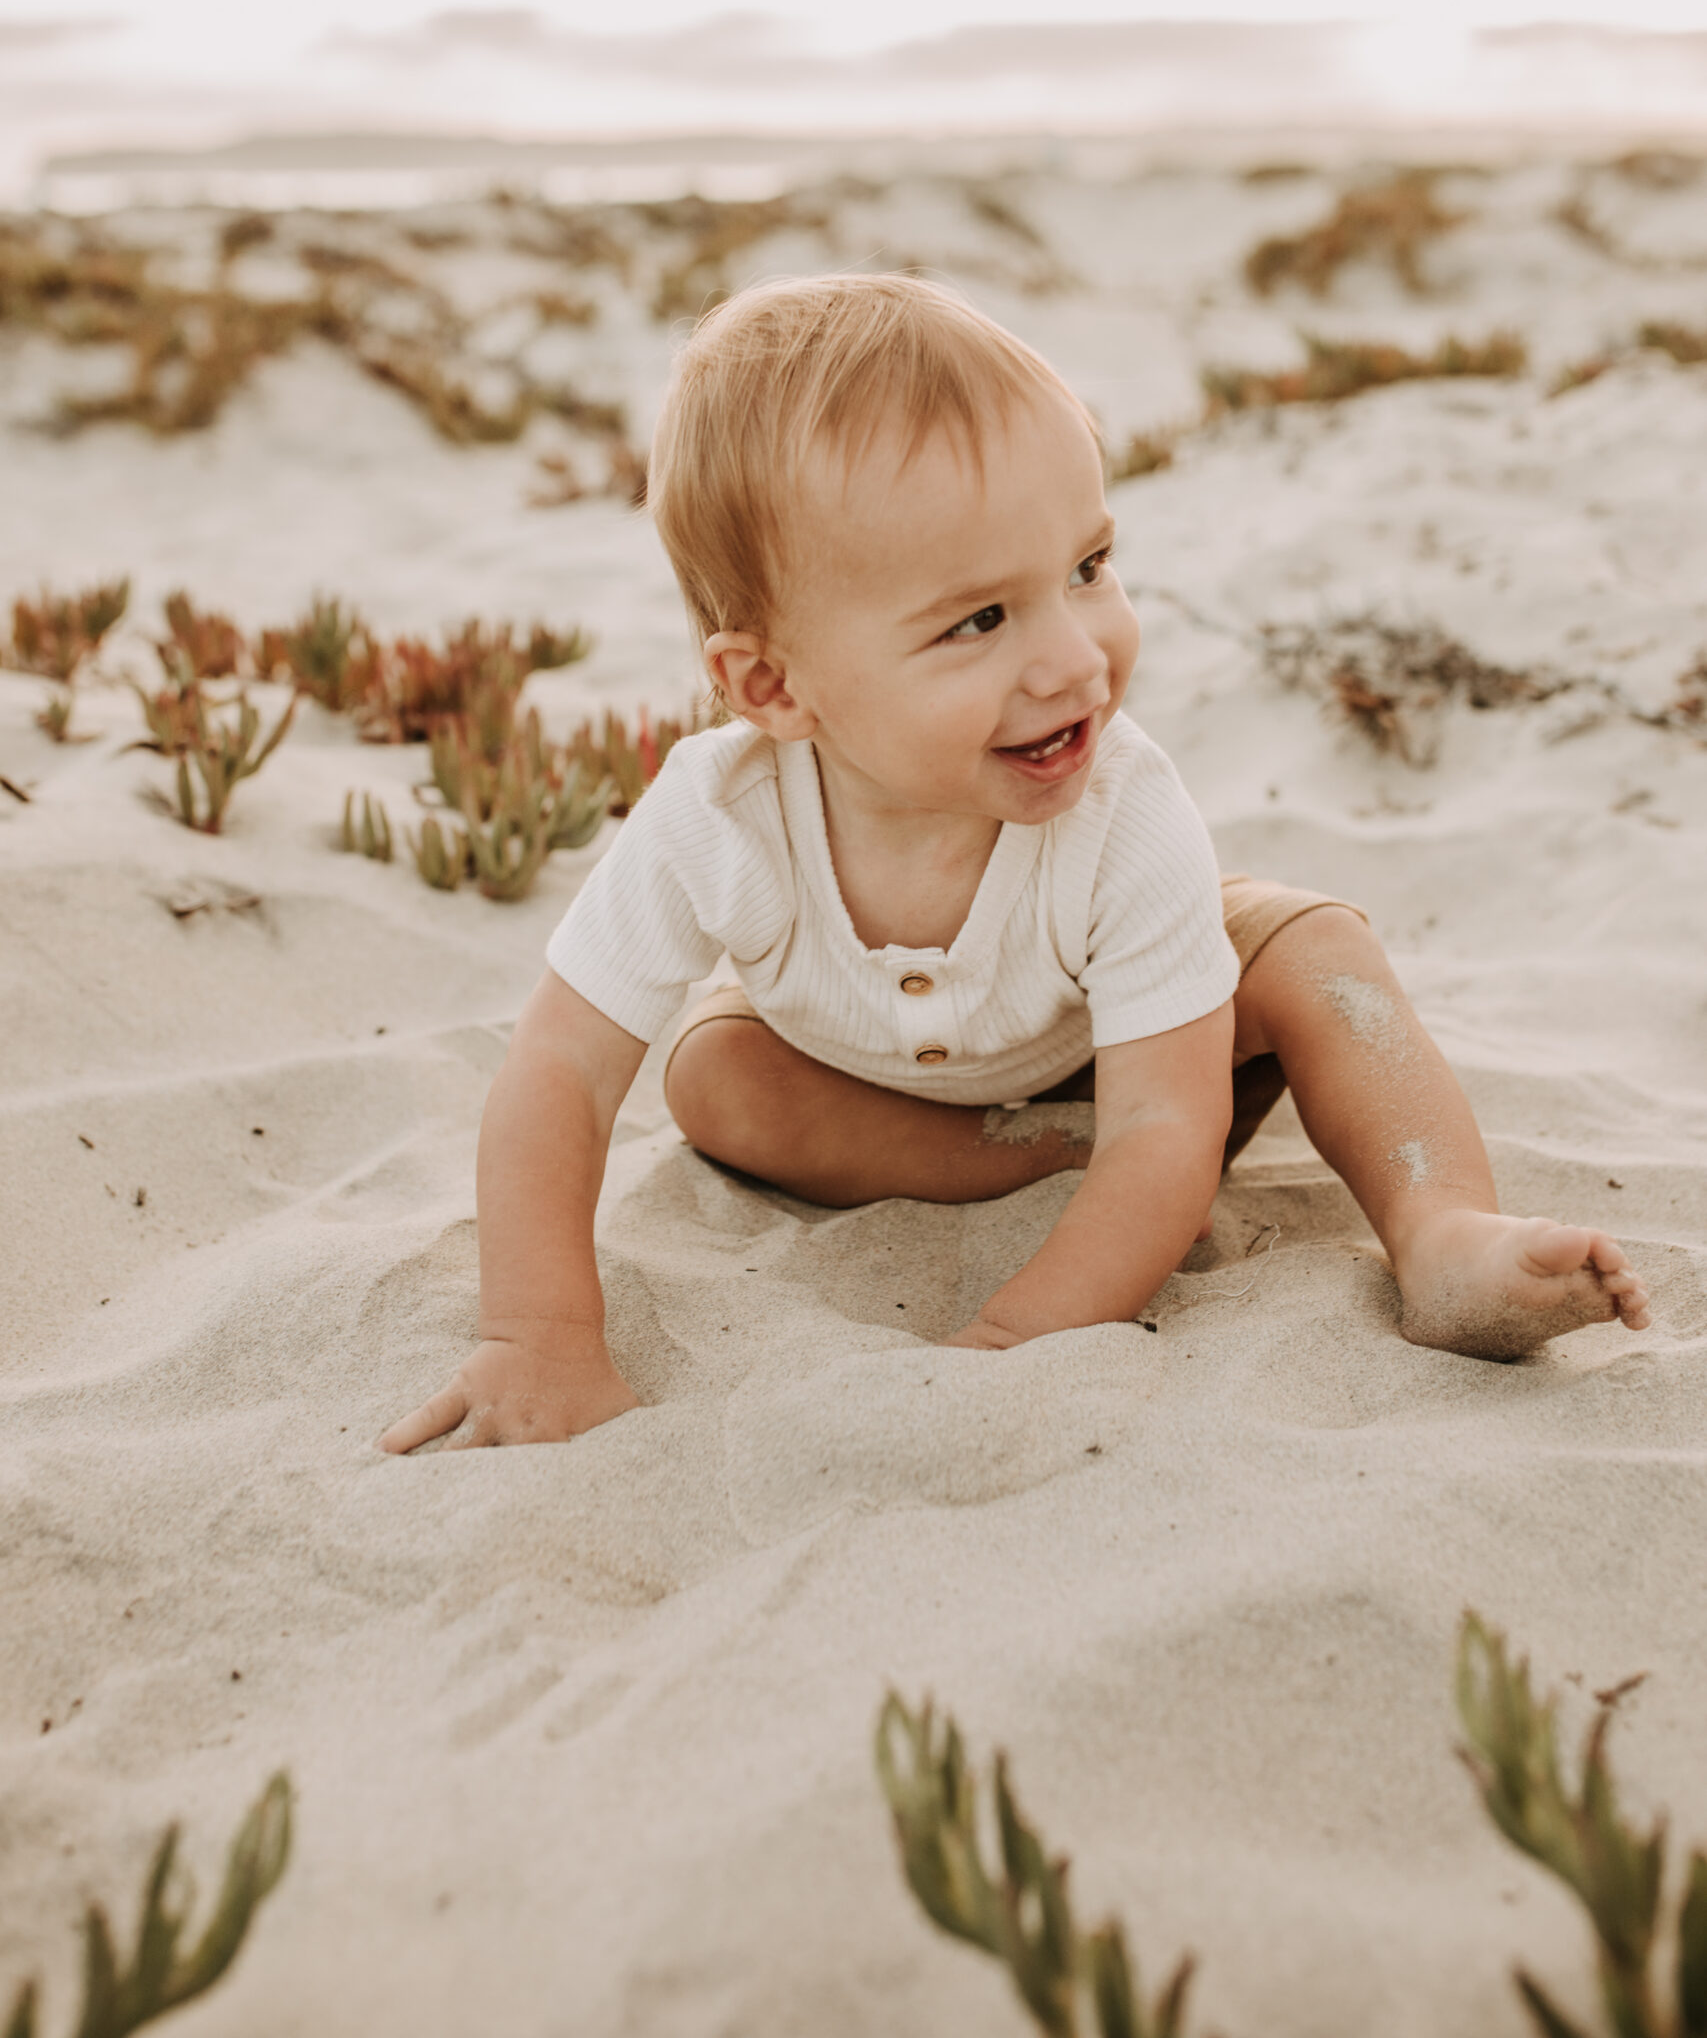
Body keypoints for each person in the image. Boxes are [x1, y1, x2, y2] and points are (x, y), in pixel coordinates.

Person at [381, 275, 1649, 1453]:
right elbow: (556, 1072)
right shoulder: (712, 817)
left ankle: (1440, 1232)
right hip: (878, 1068)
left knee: (1320, 958)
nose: (1074, 659)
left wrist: (1015, 1334)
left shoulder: (1124, 805)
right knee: (714, 1081)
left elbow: (1166, 1125)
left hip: (1135, 1035)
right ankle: (1041, 1151)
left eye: (1089, 568)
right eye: (979, 619)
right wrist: (537, 1336)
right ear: (771, 684)